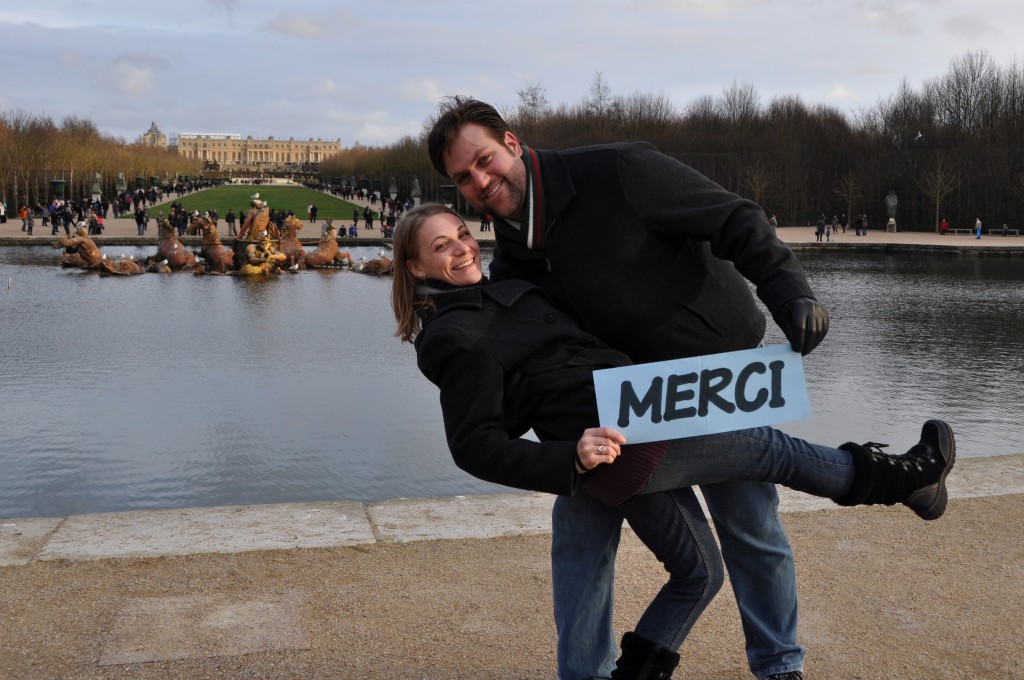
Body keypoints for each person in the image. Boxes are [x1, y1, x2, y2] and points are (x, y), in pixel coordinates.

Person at [392, 203, 957, 680]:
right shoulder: (453, 336)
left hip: (637, 416)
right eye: (442, 246)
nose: (462, 248)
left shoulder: (505, 291)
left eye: (463, 234)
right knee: (770, 450)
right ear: (416, 267)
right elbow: (474, 444)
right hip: (623, 441)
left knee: (700, 572)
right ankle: (904, 479)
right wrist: (568, 456)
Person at [427, 97, 830, 680]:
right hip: (620, 402)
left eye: (484, 160)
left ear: (512, 143)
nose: (480, 181)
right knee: (580, 536)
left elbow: (734, 217)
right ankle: (585, 673)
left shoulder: (619, 169)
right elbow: (534, 356)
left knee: (750, 524)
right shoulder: (512, 253)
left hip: (710, 369)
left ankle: (779, 667)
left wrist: (789, 290)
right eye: (463, 178)